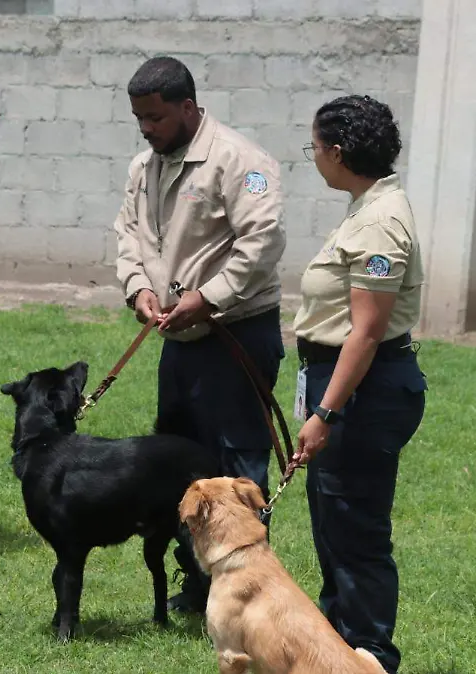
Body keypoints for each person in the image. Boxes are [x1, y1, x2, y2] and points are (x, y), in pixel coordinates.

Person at [112, 56, 287, 613]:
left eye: (155, 117)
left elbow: (261, 243)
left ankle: (246, 590)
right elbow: (129, 235)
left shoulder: (242, 161)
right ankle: (198, 580)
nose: (146, 128)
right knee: (185, 463)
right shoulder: (146, 166)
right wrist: (139, 287)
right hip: (180, 343)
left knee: (237, 467)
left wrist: (207, 298)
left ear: (187, 107)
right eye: (139, 117)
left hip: (235, 335)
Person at [292, 94, 427, 674]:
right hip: (345, 382)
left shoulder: (379, 222)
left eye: (315, 148)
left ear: (339, 152)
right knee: (334, 525)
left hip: (362, 390)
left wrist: (326, 411)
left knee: (355, 530)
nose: (315, 158)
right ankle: (337, 653)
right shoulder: (364, 205)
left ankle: (372, 655)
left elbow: (366, 333)